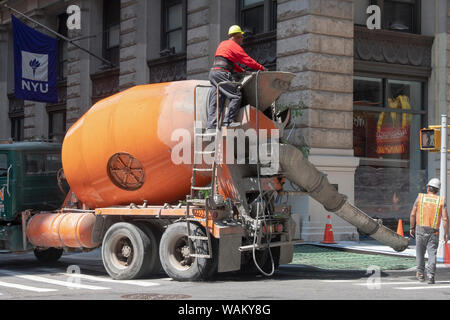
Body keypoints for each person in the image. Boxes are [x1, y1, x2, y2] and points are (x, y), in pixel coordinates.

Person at [207, 25, 266, 129]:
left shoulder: (223, 44)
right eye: (241, 37)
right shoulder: (234, 46)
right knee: (236, 95)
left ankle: (211, 125)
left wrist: (242, 71)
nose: (242, 39)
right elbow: (247, 60)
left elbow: (228, 63)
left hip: (214, 74)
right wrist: (262, 68)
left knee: (217, 99)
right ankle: (228, 121)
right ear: (237, 36)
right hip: (222, 74)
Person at [409, 178, 449, 284]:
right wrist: (446, 233)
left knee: (420, 253)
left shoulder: (420, 197)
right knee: (432, 254)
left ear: (428, 188)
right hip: (434, 231)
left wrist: (412, 228)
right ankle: (431, 276)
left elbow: (413, 214)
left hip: (420, 229)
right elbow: (445, 219)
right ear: (437, 190)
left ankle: (420, 274)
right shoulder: (441, 200)